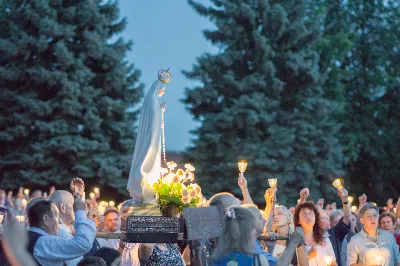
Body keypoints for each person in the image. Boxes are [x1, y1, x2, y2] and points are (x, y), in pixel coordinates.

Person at [127, 69, 171, 201]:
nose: (163, 91)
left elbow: (155, 115)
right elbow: (153, 120)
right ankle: (144, 183)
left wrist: (160, 108)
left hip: (153, 135)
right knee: (147, 156)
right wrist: (160, 109)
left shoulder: (153, 99)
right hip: (151, 136)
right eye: (163, 89)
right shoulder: (152, 99)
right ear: (160, 87)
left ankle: (149, 185)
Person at [26, 195, 96, 265]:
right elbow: (82, 244)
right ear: (46, 219)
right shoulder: (44, 242)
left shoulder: (28, 237)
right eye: (56, 216)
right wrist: (80, 211)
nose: (59, 221)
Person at [294, 201, 336, 266]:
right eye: (304, 213)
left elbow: (333, 263)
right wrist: (308, 256)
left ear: (315, 218)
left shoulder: (324, 238)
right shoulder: (294, 242)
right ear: (298, 220)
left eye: (310, 213)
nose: (308, 216)